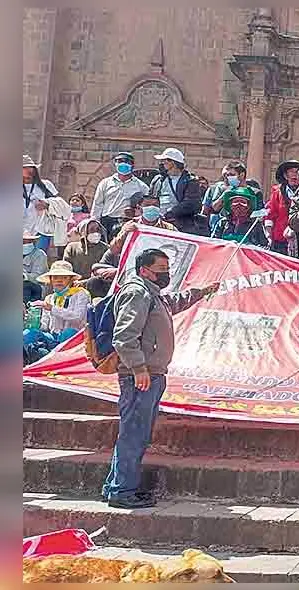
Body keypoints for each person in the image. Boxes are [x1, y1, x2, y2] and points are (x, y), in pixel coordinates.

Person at [102, 248, 219, 508]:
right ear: (145, 270)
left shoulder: (151, 293)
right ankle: (122, 492)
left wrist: (202, 291)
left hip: (151, 373)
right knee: (134, 433)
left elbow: (174, 301)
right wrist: (139, 368)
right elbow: (124, 337)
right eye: (161, 271)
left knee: (134, 432)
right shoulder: (137, 293)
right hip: (141, 377)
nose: (165, 275)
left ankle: (116, 486)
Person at [23, 261, 93, 364]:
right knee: (28, 334)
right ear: (51, 280)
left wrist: (52, 308)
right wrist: (31, 320)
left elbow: (77, 317)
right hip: (53, 337)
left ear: (70, 280)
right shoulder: (49, 298)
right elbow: (45, 327)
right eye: (55, 278)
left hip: (74, 337)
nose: (59, 280)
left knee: (69, 333)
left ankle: (47, 357)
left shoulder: (81, 294)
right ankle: (45, 356)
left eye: (64, 277)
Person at [90, 152, 150, 238]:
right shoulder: (105, 183)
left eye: (127, 161)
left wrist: (136, 213)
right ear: (115, 164)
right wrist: (94, 222)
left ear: (132, 165)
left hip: (128, 222)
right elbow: (97, 204)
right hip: (107, 222)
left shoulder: (141, 187)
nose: (123, 164)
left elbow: (146, 206)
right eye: (120, 161)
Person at [23, 155, 71, 260]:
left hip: (41, 230)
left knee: (39, 258)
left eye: (31, 167)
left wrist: (47, 204)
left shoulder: (45, 185)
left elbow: (61, 204)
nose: (29, 170)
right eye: (25, 168)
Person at [148, 148, 205, 235]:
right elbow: (150, 199)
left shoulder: (190, 181)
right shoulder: (158, 180)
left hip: (181, 225)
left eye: (165, 161)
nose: (162, 163)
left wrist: (170, 213)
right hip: (159, 224)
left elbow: (191, 203)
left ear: (173, 162)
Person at [264, 160, 299, 254]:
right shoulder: (277, 192)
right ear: (286, 176)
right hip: (280, 240)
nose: (295, 175)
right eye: (292, 172)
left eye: (297, 172)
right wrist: (269, 236)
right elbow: (270, 215)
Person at [202, 163, 244, 234]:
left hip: (240, 232)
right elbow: (209, 210)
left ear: (241, 175)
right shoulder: (213, 189)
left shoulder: (250, 192)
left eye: (231, 175)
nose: (227, 178)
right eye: (226, 175)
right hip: (217, 230)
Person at [23, 232, 49, 300]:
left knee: (25, 285)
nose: (26, 244)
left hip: (37, 287)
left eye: (29, 242)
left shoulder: (40, 254)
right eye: (23, 242)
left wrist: (24, 276)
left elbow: (38, 276)